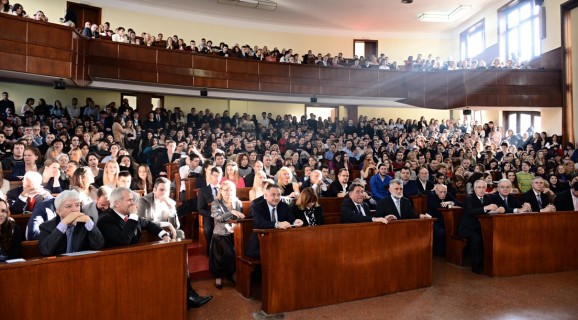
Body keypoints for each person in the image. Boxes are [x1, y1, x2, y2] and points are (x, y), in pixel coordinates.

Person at [97, 187, 211, 309]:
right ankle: (183, 298)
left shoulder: (130, 216)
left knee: (177, 258)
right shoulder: (106, 219)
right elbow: (123, 240)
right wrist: (134, 216)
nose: (133, 203)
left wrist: (163, 234)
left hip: (135, 258)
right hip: (118, 265)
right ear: (117, 203)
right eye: (129, 200)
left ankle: (186, 297)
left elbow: (147, 223)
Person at [38, 190, 105, 256]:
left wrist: (89, 222)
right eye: (69, 206)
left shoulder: (85, 222)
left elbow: (99, 245)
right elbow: (45, 251)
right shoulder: (46, 226)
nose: (75, 209)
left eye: (77, 205)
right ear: (58, 211)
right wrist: (64, 223)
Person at [245, 184, 303, 258]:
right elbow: (259, 223)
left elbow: (291, 219)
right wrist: (277, 224)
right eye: (273, 195)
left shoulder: (284, 206)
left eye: (278, 195)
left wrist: (295, 221)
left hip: (280, 241)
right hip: (261, 243)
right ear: (265, 195)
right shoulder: (257, 206)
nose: (276, 197)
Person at [458, 180, 499, 274]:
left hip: (483, 227)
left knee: (491, 236)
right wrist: (485, 208)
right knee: (476, 238)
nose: (481, 190)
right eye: (479, 187)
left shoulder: (488, 197)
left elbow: (490, 210)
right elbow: (470, 212)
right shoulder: (469, 198)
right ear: (474, 188)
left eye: (483, 187)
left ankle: (488, 263)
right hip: (468, 228)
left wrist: (497, 209)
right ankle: (476, 265)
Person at [210, 180, 244, 289]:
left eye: (231, 190)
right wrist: (231, 212)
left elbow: (240, 218)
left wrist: (235, 226)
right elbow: (218, 217)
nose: (228, 192)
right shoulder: (216, 202)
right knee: (225, 254)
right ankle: (218, 277)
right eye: (225, 190)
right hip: (220, 234)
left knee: (236, 253)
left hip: (234, 233)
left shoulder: (237, 203)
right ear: (221, 190)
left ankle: (232, 274)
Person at [426, 183, 461, 256]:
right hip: (434, 220)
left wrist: (450, 202)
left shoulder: (448, 195)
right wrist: (450, 205)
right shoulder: (432, 196)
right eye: (441, 192)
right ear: (436, 192)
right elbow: (436, 206)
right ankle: (439, 253)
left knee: (454, 230)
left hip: (446, 220)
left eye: (445, 192)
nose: (443, 194)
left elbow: (459, 203)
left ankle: (450, 252)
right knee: (440, 233)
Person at [198, 166, 222, 253]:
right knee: (208, 229)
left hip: (224, 215)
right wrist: (212, 215)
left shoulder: (224, 188)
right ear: (210, 176)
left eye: (219, 176)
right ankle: (212, 249)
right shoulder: (203, 190)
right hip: (210, 216)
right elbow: (200, 209)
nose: (217, 178)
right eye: (215, 176)